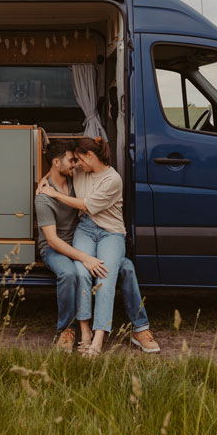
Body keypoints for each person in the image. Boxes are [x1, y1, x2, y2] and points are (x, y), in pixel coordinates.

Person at [37, 137, 160, 355]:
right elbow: (56, 169)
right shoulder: (80, 172)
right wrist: (43, 181)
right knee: (81, 271)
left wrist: (54, 193)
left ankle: (99, 340)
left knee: (106, 275)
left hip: (110, 233)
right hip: (85, 229)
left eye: (78, 160)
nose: (76, 165)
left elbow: (86, 204)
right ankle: (84, 332)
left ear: (89, 156)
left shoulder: (112, 179)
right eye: (72, 161)